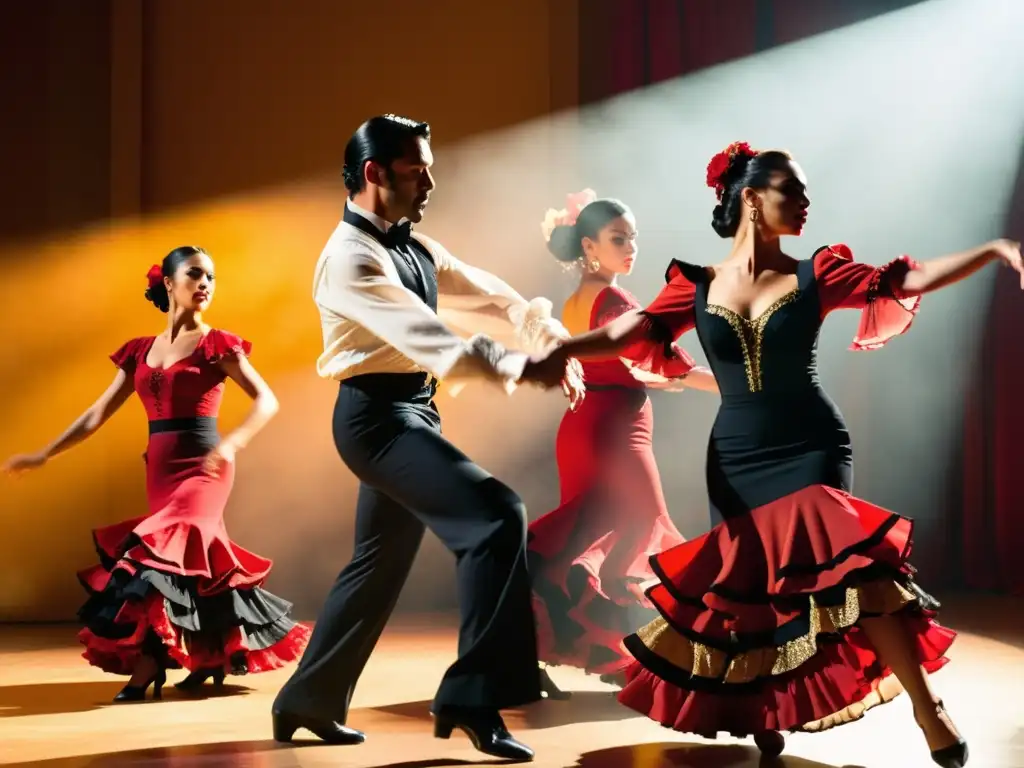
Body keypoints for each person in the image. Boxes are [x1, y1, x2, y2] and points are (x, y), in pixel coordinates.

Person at [526, 141, 1024, 767]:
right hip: (735, 454)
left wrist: (992, 251)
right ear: (753, 200)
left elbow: (905, 280)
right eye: (795, 190)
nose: (807, 202)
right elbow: (632, 331)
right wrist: (562, 352)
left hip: (810, 442)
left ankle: (930, 710)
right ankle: (768, 716)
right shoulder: (695, 285)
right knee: (752, 592)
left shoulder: (818, 272)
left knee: (855, 571)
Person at [270, 114, 583, 763]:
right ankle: (474, 699)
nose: (431, 181)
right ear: (373, 174)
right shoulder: (349, 261)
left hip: (412, 411)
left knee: (377, 564)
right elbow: (432, 340)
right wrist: (526, 367)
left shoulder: (412, 245)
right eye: (418, 170)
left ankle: (307, 697)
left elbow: (492, 297)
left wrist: (546, 338)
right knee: (498, 515)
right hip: (374, 421)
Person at [2, 246, 310, 701]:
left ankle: (148, 668)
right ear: (168, 283)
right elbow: (96, 414)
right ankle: (211, 659)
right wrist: (45, 453)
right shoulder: (140, 351)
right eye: (194, 275)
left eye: (211, 277)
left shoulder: (217, 343)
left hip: (206, 467)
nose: (205, 284)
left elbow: (267, 399)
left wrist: (231, 444)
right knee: (191, 569)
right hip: (160, 471)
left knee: (155, 560)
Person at [529, 190, 718, 695]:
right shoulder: (612, 300)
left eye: (633, 236)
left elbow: (645, 367)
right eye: (618, 238)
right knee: (641, 528)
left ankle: (586, 649)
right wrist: (732, 384)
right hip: (613, 430)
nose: (631, 246)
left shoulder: (576, 300)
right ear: (589, 245)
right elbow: (660, 363)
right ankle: (641, 657)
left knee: (591, 531)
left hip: (585, 425)